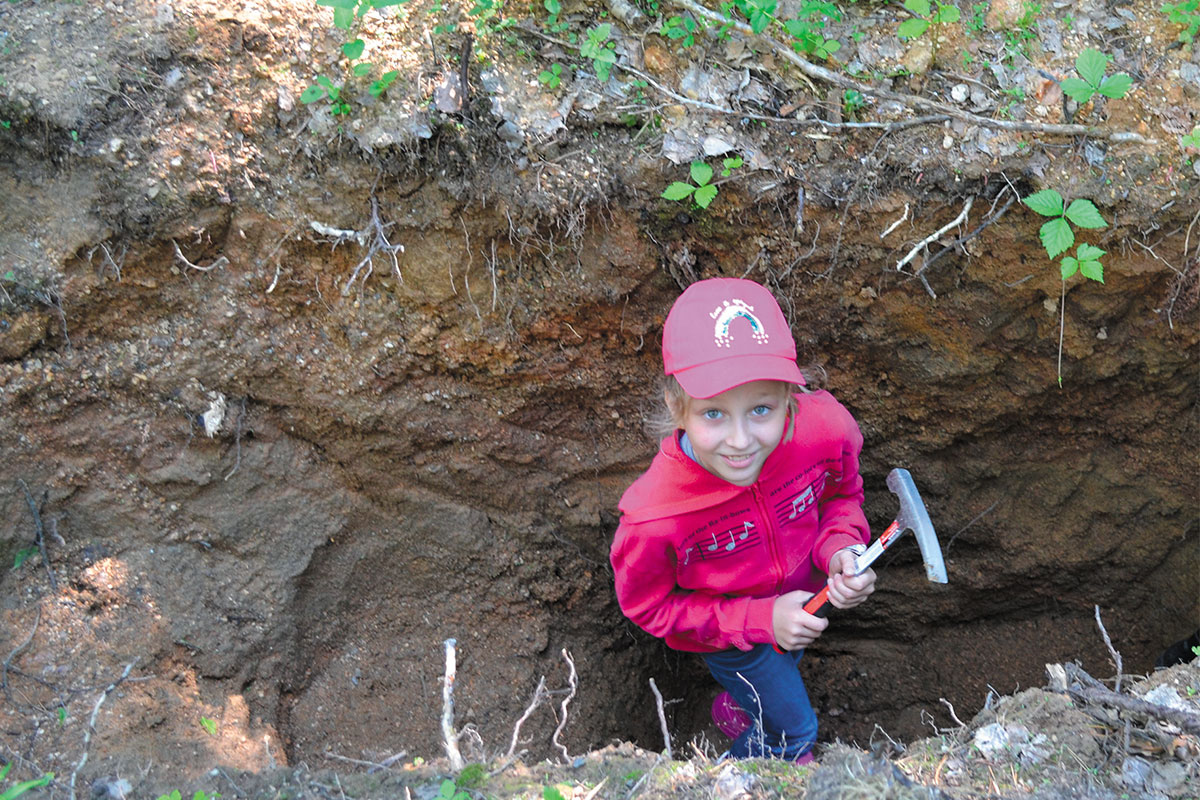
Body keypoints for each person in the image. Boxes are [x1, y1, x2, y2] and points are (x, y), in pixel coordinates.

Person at [610, 277, 878, 763]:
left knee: (784, 657)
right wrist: (759, 620)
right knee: (793, 734)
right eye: (713, 414)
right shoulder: (654, 516)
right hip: (729, 633)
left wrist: (841, 547)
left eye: (761, 409)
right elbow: (649, 608)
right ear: (677, 407)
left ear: (790, 396)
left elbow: (842, 495)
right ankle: (732, 777)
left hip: (803, 600)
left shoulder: (825, 431)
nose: (740, 441)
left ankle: (743, 708)